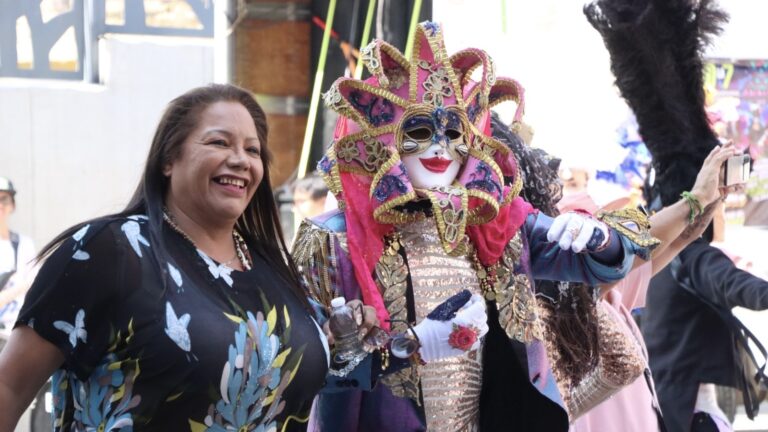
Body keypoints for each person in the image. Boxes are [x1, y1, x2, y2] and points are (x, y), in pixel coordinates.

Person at [293, 22, 639, 432]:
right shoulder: (332, 240)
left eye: (453, 131)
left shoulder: (496, 224)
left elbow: (606, 262)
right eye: (420, 131)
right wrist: (409, 347)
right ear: (382, 138)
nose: (440, 146)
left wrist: (597, 237)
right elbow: (304, 367)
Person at [0, 84, 331, 431]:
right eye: (219, 142)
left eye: (253, 150)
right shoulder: (110, 250)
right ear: (168, 159)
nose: (240, 159)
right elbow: (9, 386)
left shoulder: (273, 270)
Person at [642, 189, 768, 432]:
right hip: (689, 406)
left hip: (661, 399)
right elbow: (735, 284)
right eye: (718, 206)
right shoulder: (695, 256)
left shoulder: (652, 257)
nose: (720, 215)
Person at [0, 177, 37, 346]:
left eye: (4, 199)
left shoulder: (25, 244)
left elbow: (35, 288)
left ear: (12, 205)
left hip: (15, 338)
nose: (0, 204)